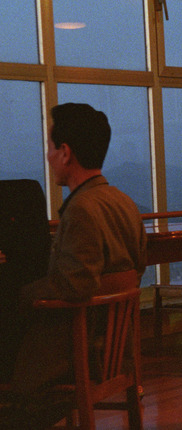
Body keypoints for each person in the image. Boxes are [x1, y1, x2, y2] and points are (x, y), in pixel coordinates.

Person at [0, 103, 146, 429]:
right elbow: (136, 269)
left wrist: (19, 294)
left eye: (51, 148)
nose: (49, 157)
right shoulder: (124, 202)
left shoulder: (81, 208)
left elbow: (74, 283)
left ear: (65, 153)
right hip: (112, 348)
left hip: (77, 352)